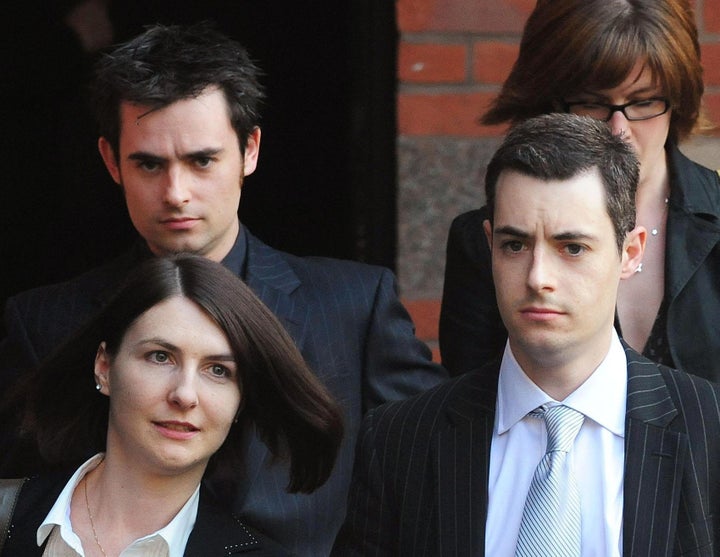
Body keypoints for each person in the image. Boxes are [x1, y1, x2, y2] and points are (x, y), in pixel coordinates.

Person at [0, 22, 448, 556]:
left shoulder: (353, 305)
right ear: (110, 161)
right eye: (149, 163)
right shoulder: (46, 322)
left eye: (201, 160)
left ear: (250, 150)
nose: (176, 193)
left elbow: (435, 472)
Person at [332, 114, 720, 556]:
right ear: (488, 244)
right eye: (515, 245)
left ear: (630, 253)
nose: (538, 277)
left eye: (572, 248)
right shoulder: (401, 442)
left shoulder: (709, 430)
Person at [439, 0, 720, 378]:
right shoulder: (482, 242)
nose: (619, 129)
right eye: (592, 104)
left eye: (644, 102)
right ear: (550, 102)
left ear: (677, 99)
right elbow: (473, 410)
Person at [1, 254, 343, 556]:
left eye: (218, 370)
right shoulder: (8, 518)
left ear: (240, 402)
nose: (185, 394)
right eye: (160, 356)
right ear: (104, 367)